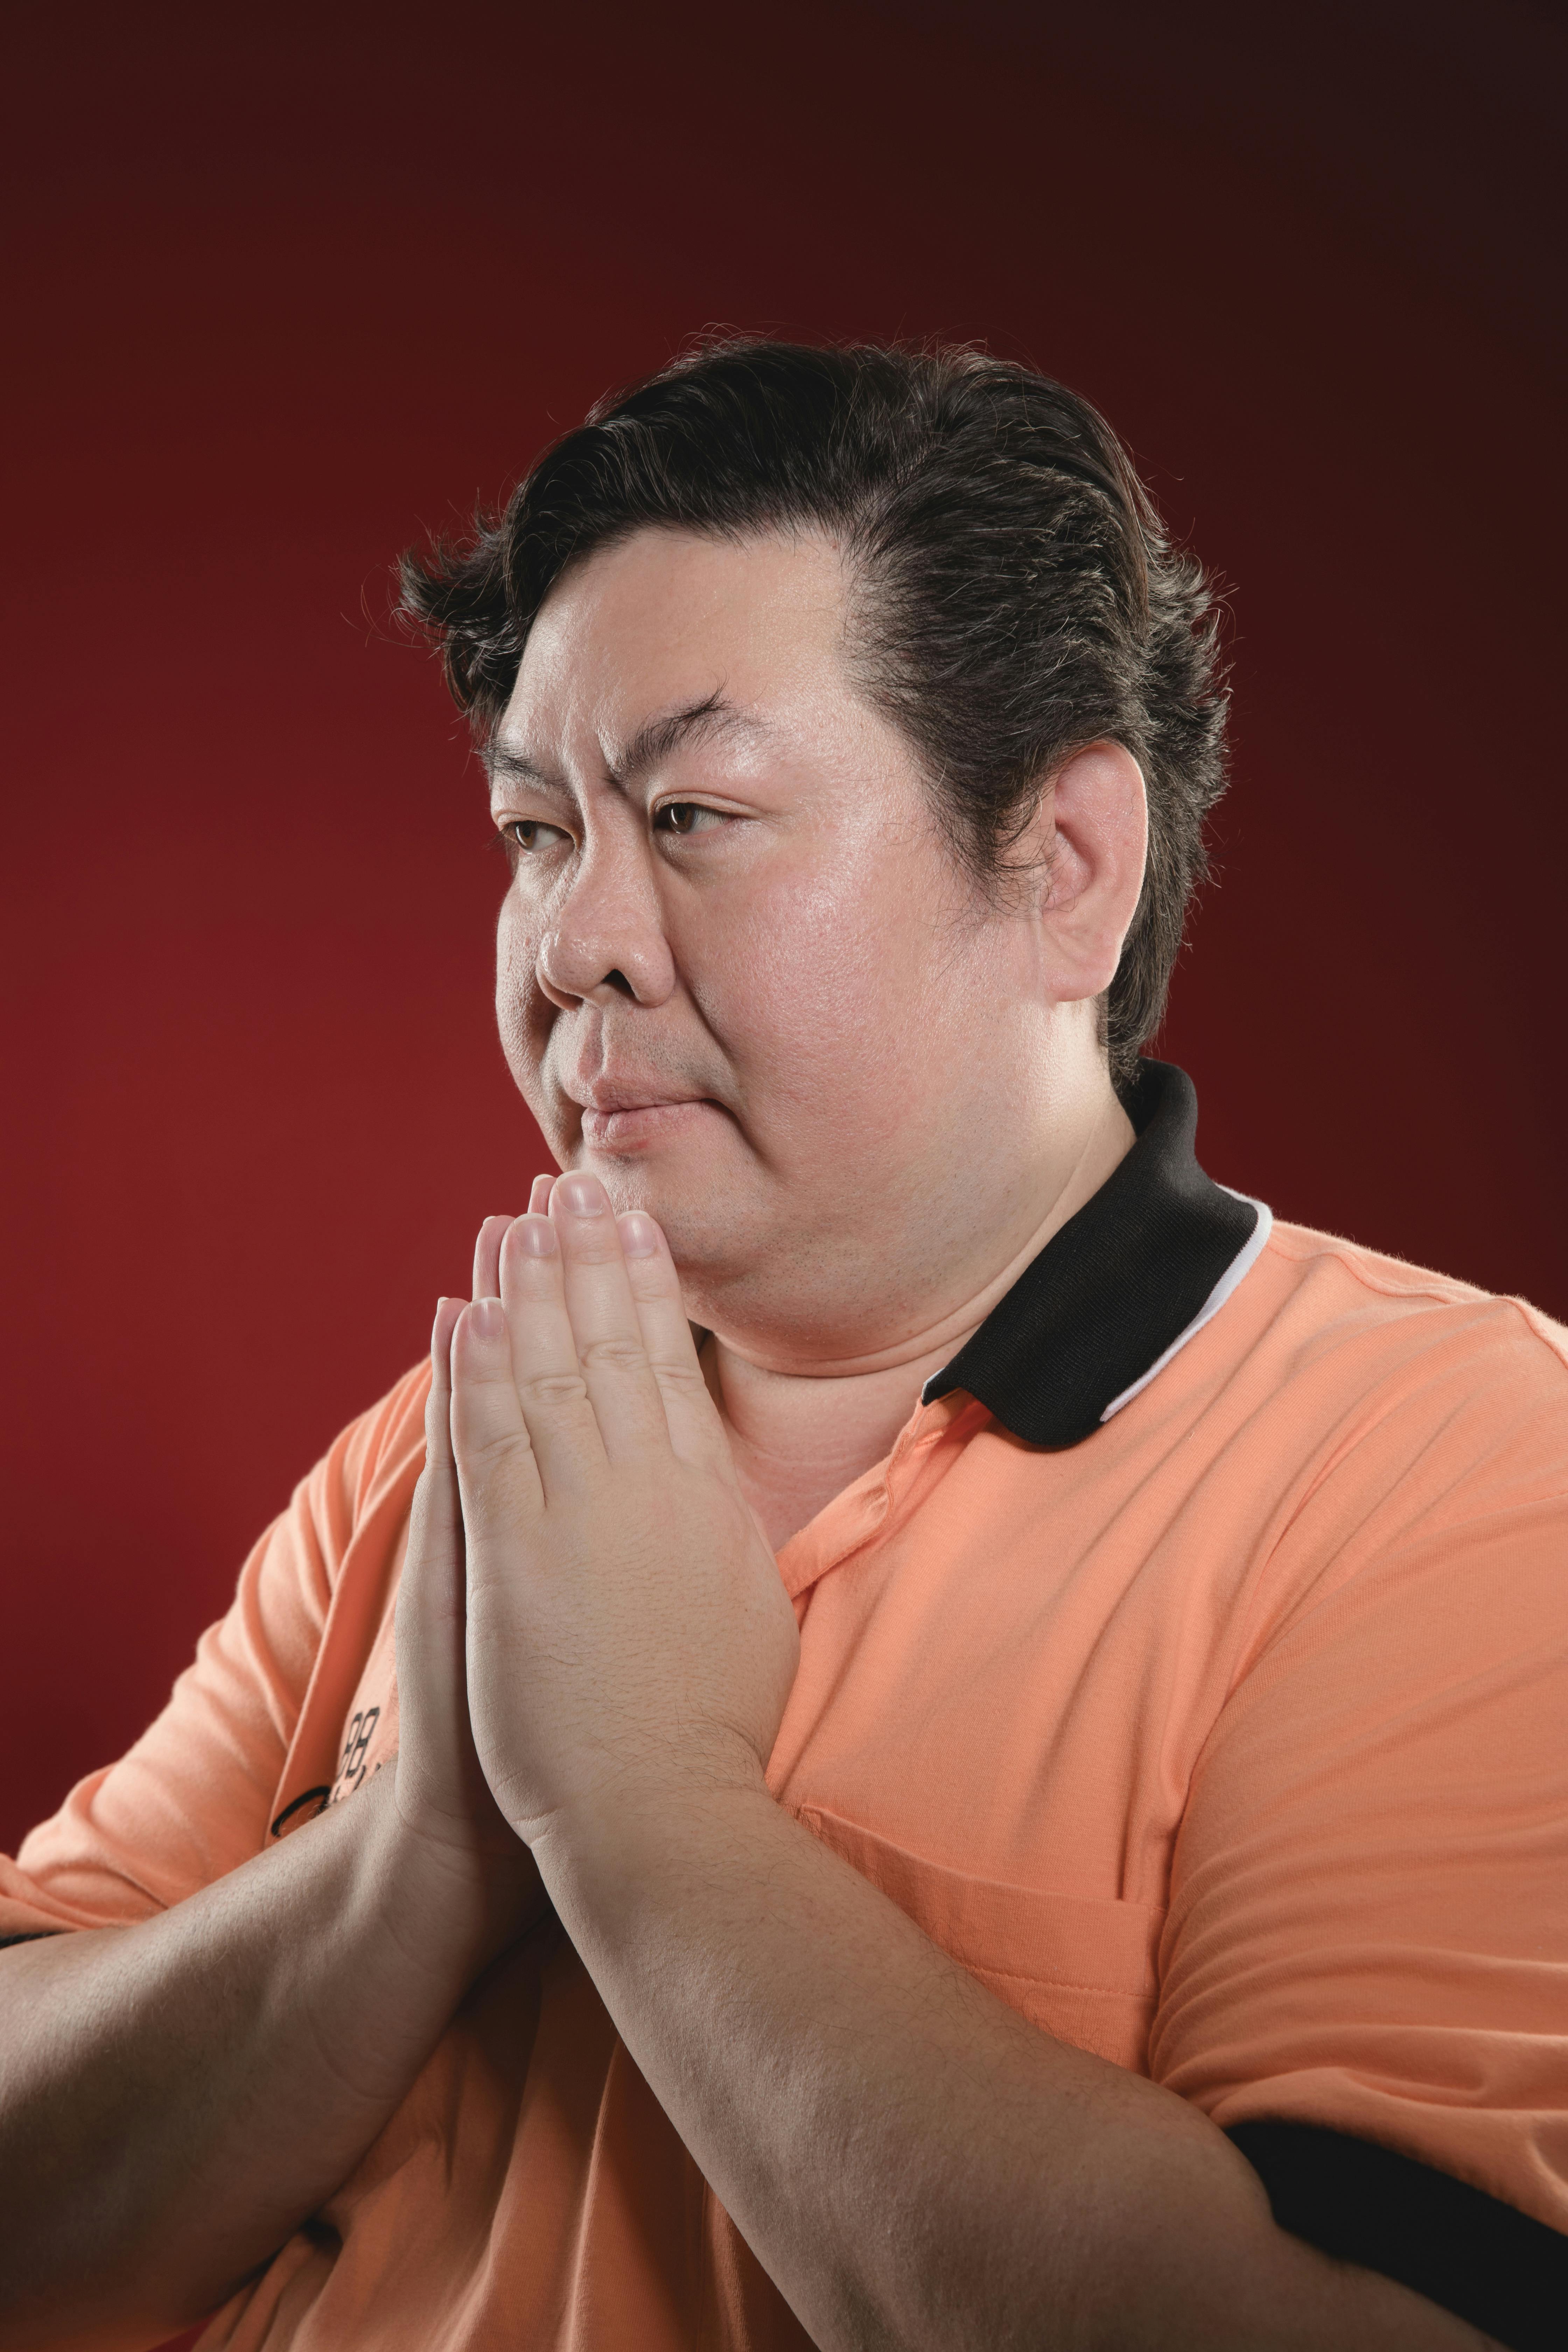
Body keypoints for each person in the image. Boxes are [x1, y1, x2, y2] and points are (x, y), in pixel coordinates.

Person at [0, 339, 1562, 2352]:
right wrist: (419, 1862)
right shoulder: (451, 1440)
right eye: (539, 831)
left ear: (1064, 869)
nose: (572, 944)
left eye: (695, 811)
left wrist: (647, 1801)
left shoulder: (1448, 1466)